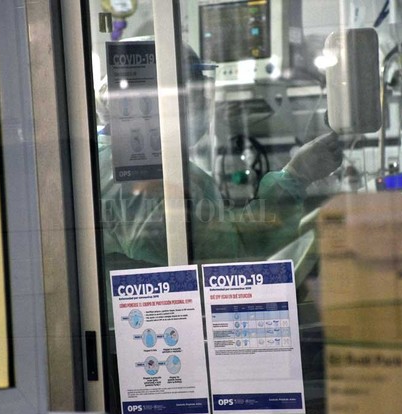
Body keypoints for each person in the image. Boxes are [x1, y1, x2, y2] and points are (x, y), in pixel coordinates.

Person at [96, 42, 343, 269]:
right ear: (155, 103)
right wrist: (296, 176)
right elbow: (231, 257)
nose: (203, 104)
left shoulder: (102, 162)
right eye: (194, 95)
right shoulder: (147, 179)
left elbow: (219, 232)